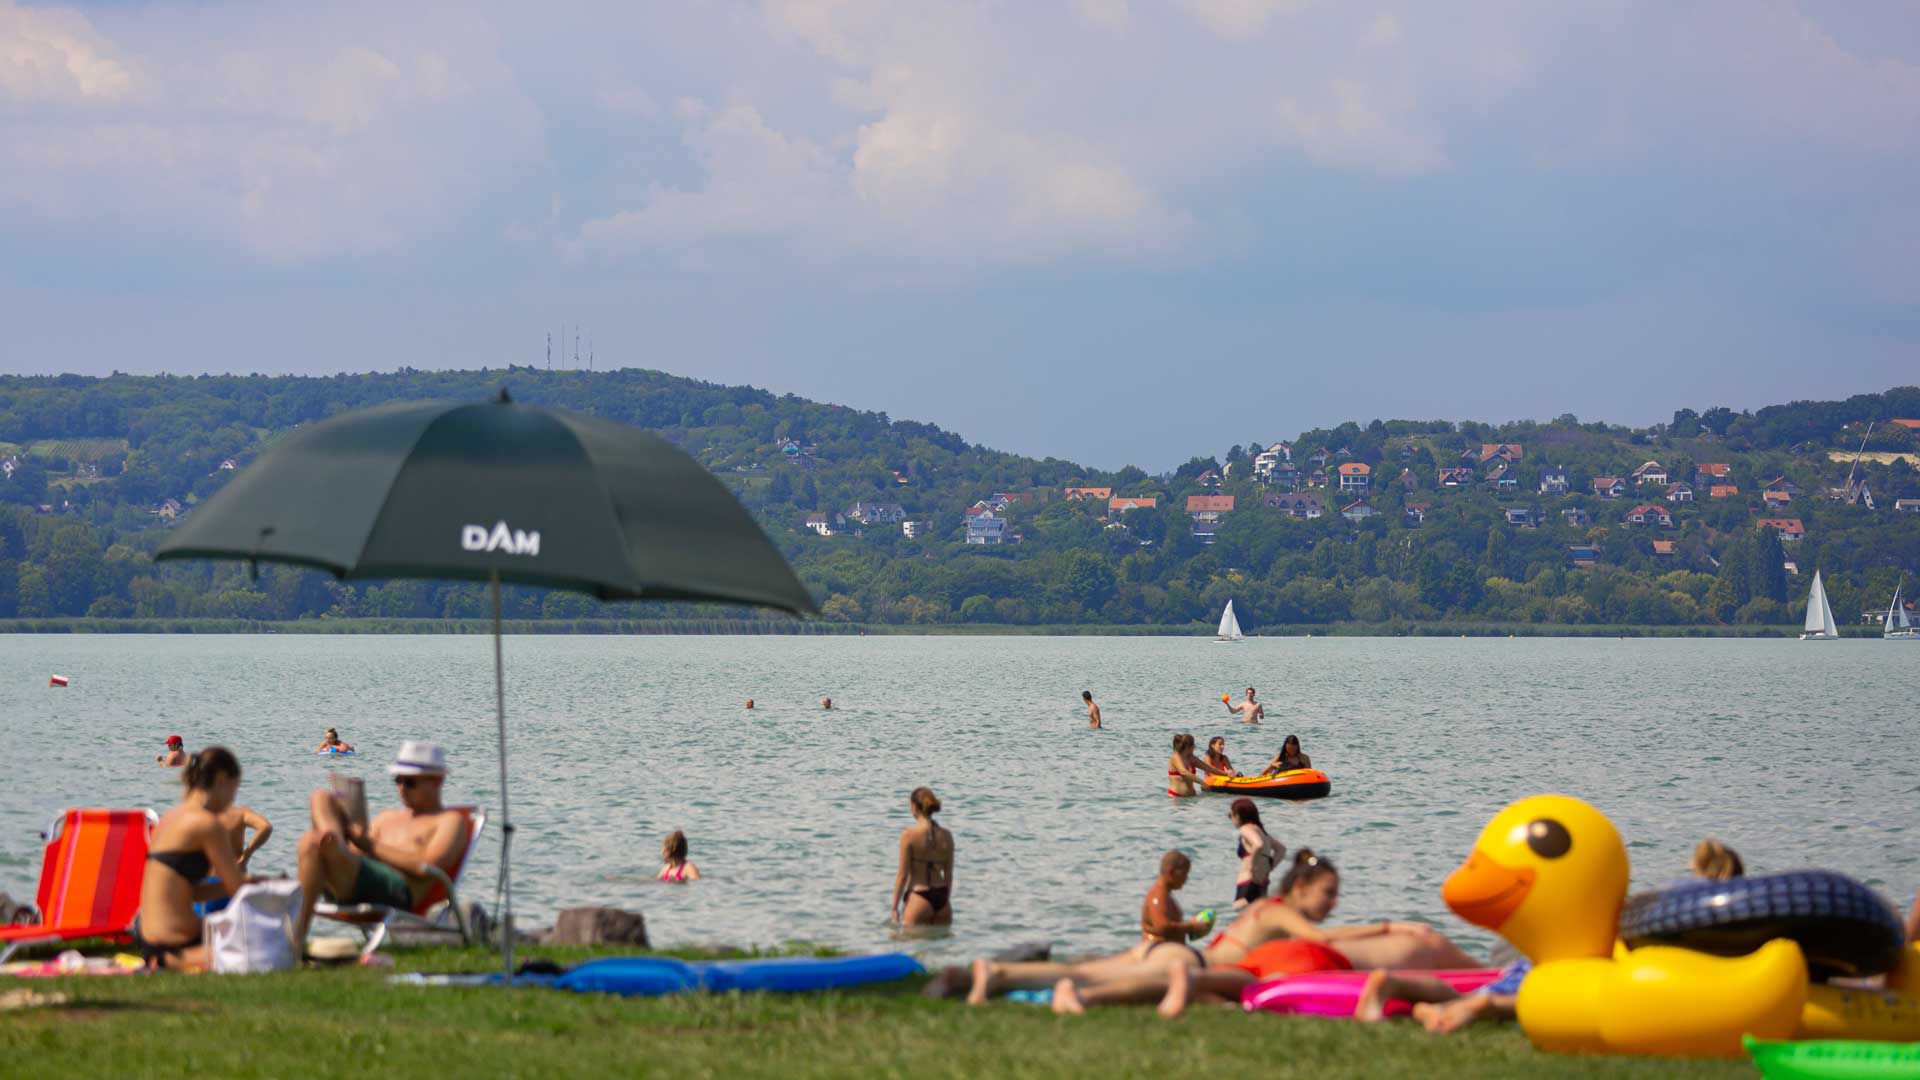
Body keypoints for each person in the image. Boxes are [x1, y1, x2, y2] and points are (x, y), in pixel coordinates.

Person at [1356, 836, 1750, 1032]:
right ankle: (1480, 1007)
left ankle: (1394, 985)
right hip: (1572, 975)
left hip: (1545, 961)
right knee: (1502, 1000)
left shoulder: (1666, 907)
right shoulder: (1713, 928)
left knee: (1479, 992)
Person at [1047, 849, 1483, 1017]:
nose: (1333, 904)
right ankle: (1080, 992)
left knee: (1099, 969)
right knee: (1120, 980)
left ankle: (1072, 988)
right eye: (1328, 894)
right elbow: (1326, 942)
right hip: (1219, 963)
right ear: (1298, 889)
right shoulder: (1279, 913)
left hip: (1222, 960)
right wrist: (1394, 925)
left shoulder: (1269, 915)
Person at [291, 740, 470, 949]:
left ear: (437, 781)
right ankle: (332, 842)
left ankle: (293, 943)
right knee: (321, 798)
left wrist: (368, 843)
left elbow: (428, 866)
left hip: (396, 891)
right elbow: (356, 855)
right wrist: (350, 835)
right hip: (357, 881)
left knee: (311, 843)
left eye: (410, 782)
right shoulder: (388, 817)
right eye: (398, 780)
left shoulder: (450, 821)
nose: (402, 788)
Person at [967, 851, 1211, 1005]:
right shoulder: (1159, 896)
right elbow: (1161, 926)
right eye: (1184, 874)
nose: (1186, 880)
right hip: (1153, 953)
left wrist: (1189, 931)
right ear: (1171, 872)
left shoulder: (1165, 895)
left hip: (1161, 954)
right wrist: (1191, 925)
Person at [135, 747, 259, 969]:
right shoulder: (208, 824)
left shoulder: (170, 818)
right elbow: (236, 888)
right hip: (176, 943)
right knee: (262, 946)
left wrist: (250, 882)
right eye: (234, 789)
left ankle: (162, 959)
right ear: (222, 781)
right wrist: (264, 885)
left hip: (146, 935)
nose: (232, 799)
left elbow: (191, 892)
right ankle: (170, 961)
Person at [891, 787, 953, 926]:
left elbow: (902, 876)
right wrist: (945, 900)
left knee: (910, 945)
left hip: (919, 898)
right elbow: (948, 874)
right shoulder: (947, 835)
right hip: (943, 900)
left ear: (914, 806)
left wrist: (894, 908)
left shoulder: (908, 836)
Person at [1230, 798, 1283, 907]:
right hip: (1263, 883)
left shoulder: (1245, 829)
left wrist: (1251, 865)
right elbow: (1281, 849)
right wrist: (1271, 867)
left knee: (1239, 913)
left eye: (1230, 815)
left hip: (1248, 881)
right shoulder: (1262, 832)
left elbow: (1258, 844)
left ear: (1238, 816)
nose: (1231, 819)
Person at [219, 803, 273, 871]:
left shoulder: (203, 817)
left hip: (205, 876)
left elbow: (265, 827)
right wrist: (246, 857)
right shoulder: (240, 813)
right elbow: (265, 827)